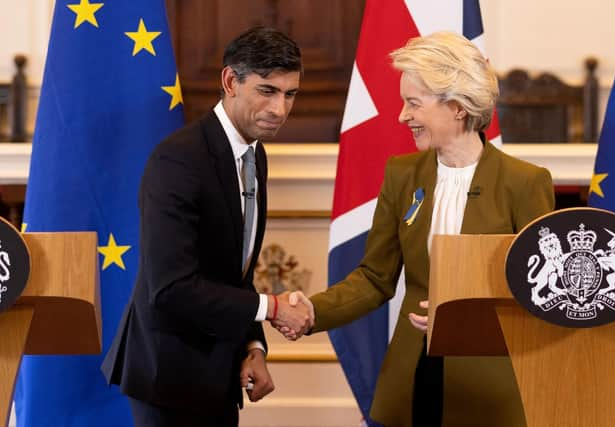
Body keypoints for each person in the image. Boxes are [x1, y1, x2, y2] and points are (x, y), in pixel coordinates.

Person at [278, 31, 555, 427]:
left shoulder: (524, 182)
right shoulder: (403, 174)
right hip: (415, 376)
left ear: (457, 107)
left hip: (491, 387)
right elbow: (375, 278)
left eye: (413, 103)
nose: (402, 116)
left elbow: (540, 295)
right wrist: (312, 311)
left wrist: (472, 320)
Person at [101, 26, 313, 427]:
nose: (280, 109)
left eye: (290, 94)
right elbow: (171, 287)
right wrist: (274, 309)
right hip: (168, 377)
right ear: (230, 81)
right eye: (267, 91)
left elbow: (236, 272)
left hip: (218, 371)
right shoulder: (178, 161)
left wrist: (253, 346)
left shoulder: (255, 155)